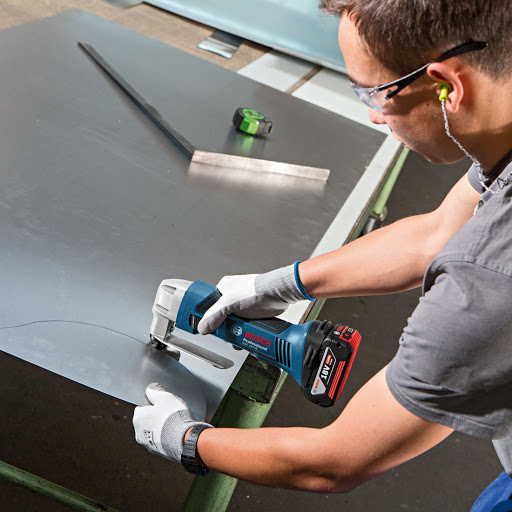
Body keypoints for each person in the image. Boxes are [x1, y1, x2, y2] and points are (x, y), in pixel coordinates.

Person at [132, 1, 512, 509]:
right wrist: (282, 284)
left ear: (448, 87)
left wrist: (185, 438)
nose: (373, 115)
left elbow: (334, 462)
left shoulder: (484, 285)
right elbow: (436, 232)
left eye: (373, 92)